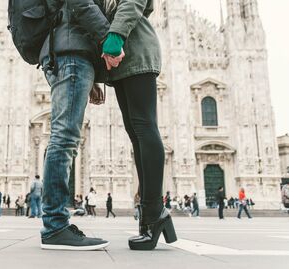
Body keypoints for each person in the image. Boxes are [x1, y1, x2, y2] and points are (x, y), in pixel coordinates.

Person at [101, 0, 177, 250]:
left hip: (136, 51)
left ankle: (154, 210)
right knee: (136, 133)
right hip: (120, 62)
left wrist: (115, 37)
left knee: (145, 128)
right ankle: (149, 215)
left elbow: (135, 3)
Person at [36, 0, 111, 250]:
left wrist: (91, 77)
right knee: (64, 140)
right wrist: (110, 40)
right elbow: (80, 4)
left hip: (70, 55)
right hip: (70, 56)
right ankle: (56, 226)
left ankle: (56, 224)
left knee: (64, 139)